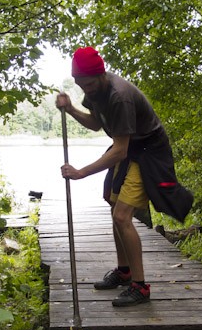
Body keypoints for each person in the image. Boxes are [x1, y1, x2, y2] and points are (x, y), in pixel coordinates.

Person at [56, 47, 193, 307]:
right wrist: (72, 109)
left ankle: (140, 287)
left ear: (100, 75)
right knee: (113, 207)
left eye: (87, 83)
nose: (85, 88)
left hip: (148, 152)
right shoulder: (93, 90)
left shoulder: (119, 96)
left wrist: (81, 172)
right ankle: (124, 271)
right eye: (79, 84)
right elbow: (96, 124)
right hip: (131, 149)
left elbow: (119, 151)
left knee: (122, 215)